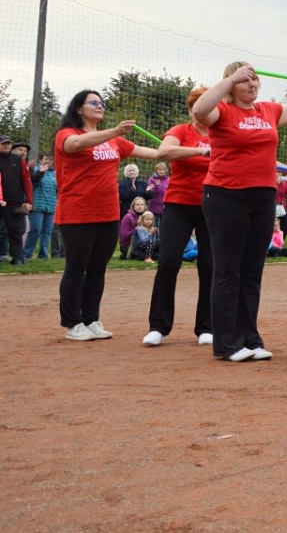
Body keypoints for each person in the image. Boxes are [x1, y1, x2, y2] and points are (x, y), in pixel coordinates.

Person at [193, 61, 287, 362]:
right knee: (228, 270)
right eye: (245, 80)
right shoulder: (221, 111)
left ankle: (250, 338)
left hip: (262, 196)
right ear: (231, 84)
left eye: (255, 79)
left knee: (252, 270)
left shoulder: (268, 111)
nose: (252, 84)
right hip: (225, 195)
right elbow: (200, 110)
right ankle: (227, 343)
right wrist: (231, 77)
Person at [55, 90, 159, 341]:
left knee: (97, 269)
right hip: (77, 213)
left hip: (108, 214)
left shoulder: (114, 142)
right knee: (76, 268)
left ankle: (91, 319)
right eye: (93, 102)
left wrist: (198, 151)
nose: (99, 106)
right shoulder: (67, 134)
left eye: (102, 103)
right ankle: (72, 323)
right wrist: (115, 131)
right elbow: (76, 145)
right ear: (79, 108)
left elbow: (154, 153)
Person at [143, 87, 215, 348]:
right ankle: (158, 327)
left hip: (213, 207)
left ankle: (207, 327)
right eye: (197, 107)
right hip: (178, 205)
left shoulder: (223, 133)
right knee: (169, 262)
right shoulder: (181, 131)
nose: (203, 112)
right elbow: (164, 152)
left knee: (210, 266)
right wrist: (199, 151)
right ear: (191, 110)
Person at [0, 134, 33, 265]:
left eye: (8, 143)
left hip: (14, 202)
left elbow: (27, 181)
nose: (6, 145)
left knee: (15, 232)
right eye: (3, 143)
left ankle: (18, 258)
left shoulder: (18, 160)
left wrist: (29, 201)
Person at [25, 153, 57, 260]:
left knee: (47, 231)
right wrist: (40, 172)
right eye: (46, 159)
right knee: (36, 229)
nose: (49, 161)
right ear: (40, 160)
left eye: (51, 159)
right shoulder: (35, 171)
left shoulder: (55, 174)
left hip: (51, 206)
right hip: (37, 206)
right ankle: (27, 254)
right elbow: (34, 182)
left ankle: (43, 255)